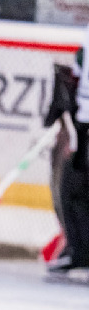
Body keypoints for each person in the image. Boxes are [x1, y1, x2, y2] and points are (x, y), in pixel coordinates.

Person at [44, 41, 89, 275]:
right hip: (84, 125)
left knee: (75, 191)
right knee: (74, 191)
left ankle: (81, 254)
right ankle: (80, 253)